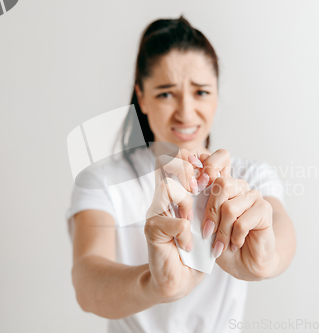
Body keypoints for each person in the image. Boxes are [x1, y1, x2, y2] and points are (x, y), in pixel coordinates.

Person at [66, 16, 296, 333]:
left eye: (201, 92)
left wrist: (264, 261)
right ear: (142, 98)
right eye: (165, 94)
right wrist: (155, 285)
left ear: (216, 94)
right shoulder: (103, 181)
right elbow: (87, 282)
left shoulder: (248, 178)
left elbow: (281, 235)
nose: (186, 112)